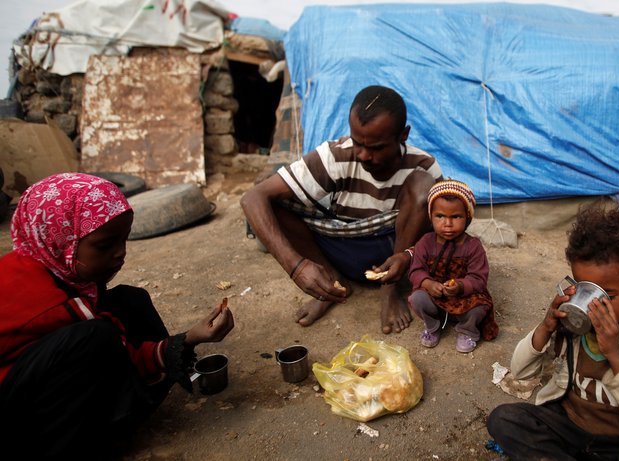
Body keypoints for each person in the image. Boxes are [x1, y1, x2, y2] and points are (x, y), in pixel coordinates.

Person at [0, 173, 234, 459]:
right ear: (62, 237)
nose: (120, 254)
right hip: (14, 417)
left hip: (26, 370)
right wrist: (184, 342)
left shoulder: (44, 260)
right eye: (104, 245)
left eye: (123, 240)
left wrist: (180, 343)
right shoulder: (47, 301)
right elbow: (116, 349)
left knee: (130, 301)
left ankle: (129, 401)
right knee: (96, 337)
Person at [241, 85, 442, 334]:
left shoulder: (424, 164)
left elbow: (443, 232)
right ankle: (332, 281)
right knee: (271, 202)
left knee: (425, 187)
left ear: (403, 136)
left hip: (394, 254)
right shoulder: (335, 156)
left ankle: (389, 290)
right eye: (358, 143)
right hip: (340, 249)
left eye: (376, 147)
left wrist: (410, 256)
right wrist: (297, 267)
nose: (364, 155)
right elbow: (252, 198)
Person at [486, 206, 619, 460]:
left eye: (607, 296)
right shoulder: (570, 328)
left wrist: (616, 356)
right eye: (584, 289)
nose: (591, 305)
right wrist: (546, 328)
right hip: (569, 427)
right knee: (504, 419)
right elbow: (522, 373)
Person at [407, 179, 498, 353]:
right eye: (440, 216)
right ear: (430, 216)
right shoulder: (425, 242)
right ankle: (433, 325)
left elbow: (479, 278)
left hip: (463, 296)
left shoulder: (473, 246)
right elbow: (415, 271)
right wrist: (428, 283)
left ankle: (467, 330)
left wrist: (460, 286)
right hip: (435, 294)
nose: (447, 224)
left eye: (456, 217)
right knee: (416, 298)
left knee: (481, 306)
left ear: (468, 217)